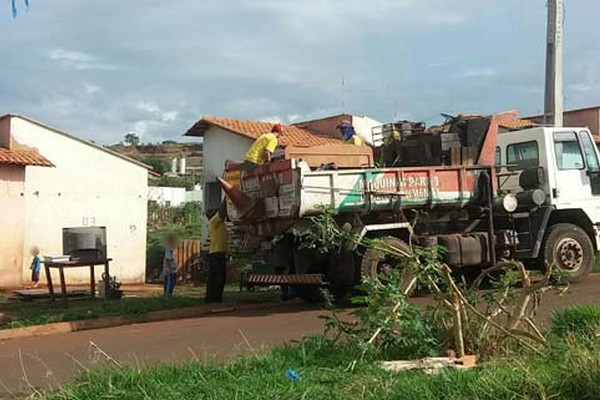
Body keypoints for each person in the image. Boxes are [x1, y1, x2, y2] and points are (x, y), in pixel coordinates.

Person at [206, 201, 229, 303]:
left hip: (220, 253)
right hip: (216, 254)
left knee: (220, 278)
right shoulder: (213, 221)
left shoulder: (219, 223)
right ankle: (212, 299)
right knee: (216, 278)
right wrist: (227, 197)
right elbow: (222, 211)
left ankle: (216, 298)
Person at [162, 233, 179, 298]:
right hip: (169, 271)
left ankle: (170, 295)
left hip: (173, 269)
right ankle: (167, 296)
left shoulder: (172, 249)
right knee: (169, 283)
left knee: (172, 283)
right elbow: (168, 260)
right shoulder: (168, 249)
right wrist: (171, 269)